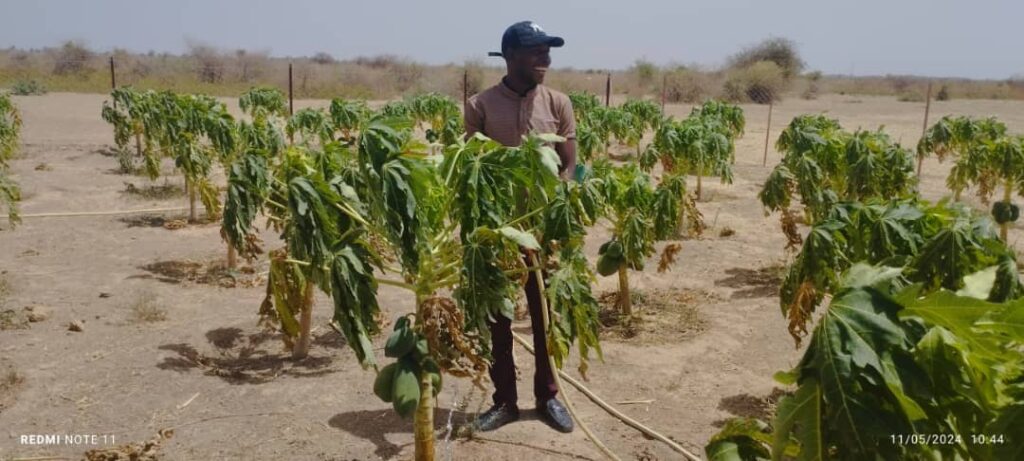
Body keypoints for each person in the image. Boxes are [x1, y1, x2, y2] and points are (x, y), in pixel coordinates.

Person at [463, 20, 577, 433]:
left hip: (543, 231)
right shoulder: (480, 105)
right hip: (496, 233)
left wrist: (556, 210)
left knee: (546, 316)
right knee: (499, 320)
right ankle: (505, 401)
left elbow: (570, 165)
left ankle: (548, 397)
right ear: (510, 56)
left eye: (548, 51)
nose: (545, 58)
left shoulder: (559, 103)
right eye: (536, 51)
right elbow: (469, 169)